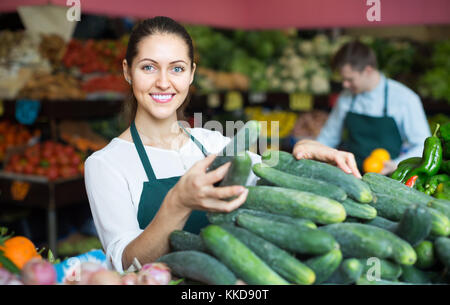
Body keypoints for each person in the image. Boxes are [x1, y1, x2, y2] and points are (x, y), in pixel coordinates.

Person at [84, 16, 360, 273]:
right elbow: (125, 265)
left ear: (191, 74)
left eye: (177, 68)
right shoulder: (107, 164)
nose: (163, 82)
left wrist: (304, 159)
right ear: (128, 71)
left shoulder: (213, 142)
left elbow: (271, 186)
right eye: (148, 67)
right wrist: (178, 203)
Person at [316, 41, 431, 174]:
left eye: (350, 79)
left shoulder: (405, 98)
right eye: (343, 79)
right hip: (352, 175)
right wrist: (313, 152)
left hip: (390, 178)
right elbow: (328, 137)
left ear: (368, 70)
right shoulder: (345, 98)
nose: (345, 85)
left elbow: (422, 144)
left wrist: (395, 164)